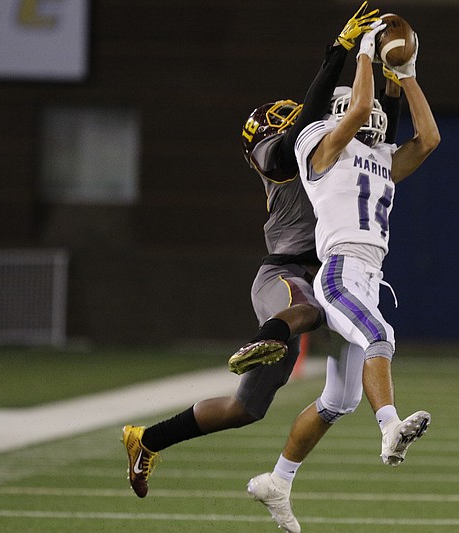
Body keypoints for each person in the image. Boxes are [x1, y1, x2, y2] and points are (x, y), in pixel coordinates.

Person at [120, 2, 388, 499]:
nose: (313, 120)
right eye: (293, 118)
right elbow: (307, 123)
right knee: (304, 307)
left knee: (247, 409)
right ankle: (264, 339)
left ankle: (146, 439)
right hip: (285, 274)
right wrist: (339, 54)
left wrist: (392, 77)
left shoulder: (333, 155)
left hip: (329, 273)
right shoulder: (276, 154)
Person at [245, 21, 440, 533]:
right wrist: (365, 55)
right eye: (365, 109)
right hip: (337, 274)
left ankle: (278, 482)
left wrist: (410, 75)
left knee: (340, 400)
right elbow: (355, 111)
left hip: (370, 276)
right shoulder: (320, 152)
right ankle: (391, 427)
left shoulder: (377, 157)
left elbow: (430, 138)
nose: (374, 115)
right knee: (380, 335)